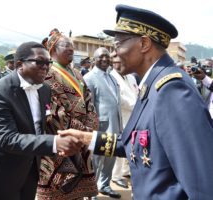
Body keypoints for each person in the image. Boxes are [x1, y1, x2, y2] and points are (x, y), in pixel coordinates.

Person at [58, 4, 213, 200]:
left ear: (144, 44)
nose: (113, 53)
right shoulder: (152, 84)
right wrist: (85, 139)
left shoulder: (171, 90)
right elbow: (134, 145)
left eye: (118, 45)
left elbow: (202, 185)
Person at [0, 41, 83, 200]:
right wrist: (54, 143)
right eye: (40, 62)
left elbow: (38, 128)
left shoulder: (45, 89)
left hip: (31, 166)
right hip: (4, 169)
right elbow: (8, 139)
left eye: (48, 63)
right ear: (20, 64)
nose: (45, 67)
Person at [37, 32, 99, 199]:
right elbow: (55, 112)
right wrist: (81, 130)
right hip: (62, 136)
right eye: (66, 45)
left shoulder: (77, 73)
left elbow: (89, 101)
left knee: (78, 189)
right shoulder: (47, 74)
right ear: (53, 50)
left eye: (72, 45)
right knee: (58, 189)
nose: (71, 48)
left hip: (83, 136)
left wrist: (90, 128)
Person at [83, 47, 121, 199]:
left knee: (110, 158)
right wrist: (92, 128)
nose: (105, 59)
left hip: (115, 126)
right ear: (94, 59)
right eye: (101, 57)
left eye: (107, 56)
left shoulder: (112, 77)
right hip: (101, 127)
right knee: (97, 161)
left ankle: (104, 185)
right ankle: (91, 192)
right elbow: (89, 106)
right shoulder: (90, 78)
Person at [110, 52, 139, 189]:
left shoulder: (131, 77)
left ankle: (126, 172)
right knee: (119, 145)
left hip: (133, 116)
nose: (120, 64)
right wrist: (136, 105)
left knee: (130, 144)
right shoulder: (111, 77)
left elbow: (137, 92)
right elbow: (120, 100)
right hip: (121, 116)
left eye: (122, 61)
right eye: (116, 62)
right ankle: (116, 176)